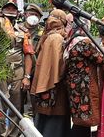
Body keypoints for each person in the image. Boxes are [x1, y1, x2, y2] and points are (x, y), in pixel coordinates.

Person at [0, 0, 34, 137]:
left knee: (16, 107)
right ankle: (0, 134)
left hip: (17, 71)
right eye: (7, 9)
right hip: (0, 71)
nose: (10, 11)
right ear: (2, 11)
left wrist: (27, 77)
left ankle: (13, 135)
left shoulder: (23, 31)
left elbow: (28, 54)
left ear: (17, 13)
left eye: (13, 9)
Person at [30, 9, 70, 137]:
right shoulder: (57, 37)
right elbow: (59, 66)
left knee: (45, 120)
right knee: (54, 122)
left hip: (46, 86)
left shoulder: (49, 36)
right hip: (55, 87)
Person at [64, 18, 104, 137]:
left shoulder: (71, 41)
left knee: (80, 118)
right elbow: (100, 59)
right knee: (85, 119)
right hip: (85, 85)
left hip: (74, 84)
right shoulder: (83, 42)